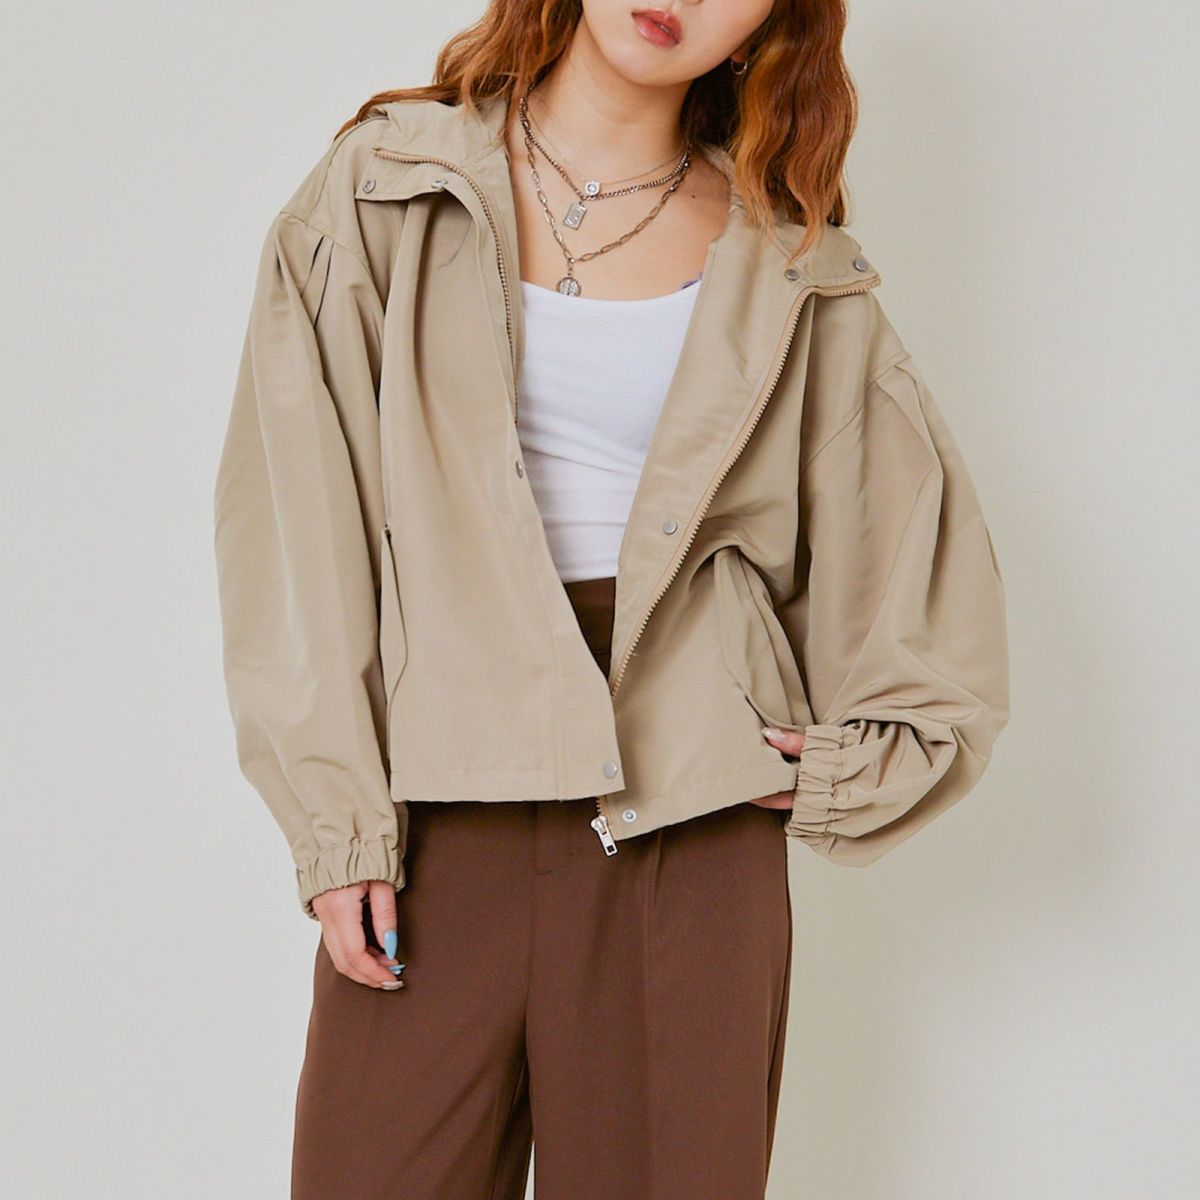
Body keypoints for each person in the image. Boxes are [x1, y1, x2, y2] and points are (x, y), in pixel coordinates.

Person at [212, 2, 1010, 1197]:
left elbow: (912, 560)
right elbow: (294, 524)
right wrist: (339, 827)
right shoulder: (387, 189)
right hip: (439, 805)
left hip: (688, 827)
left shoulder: (789, 265)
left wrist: (853, 764)